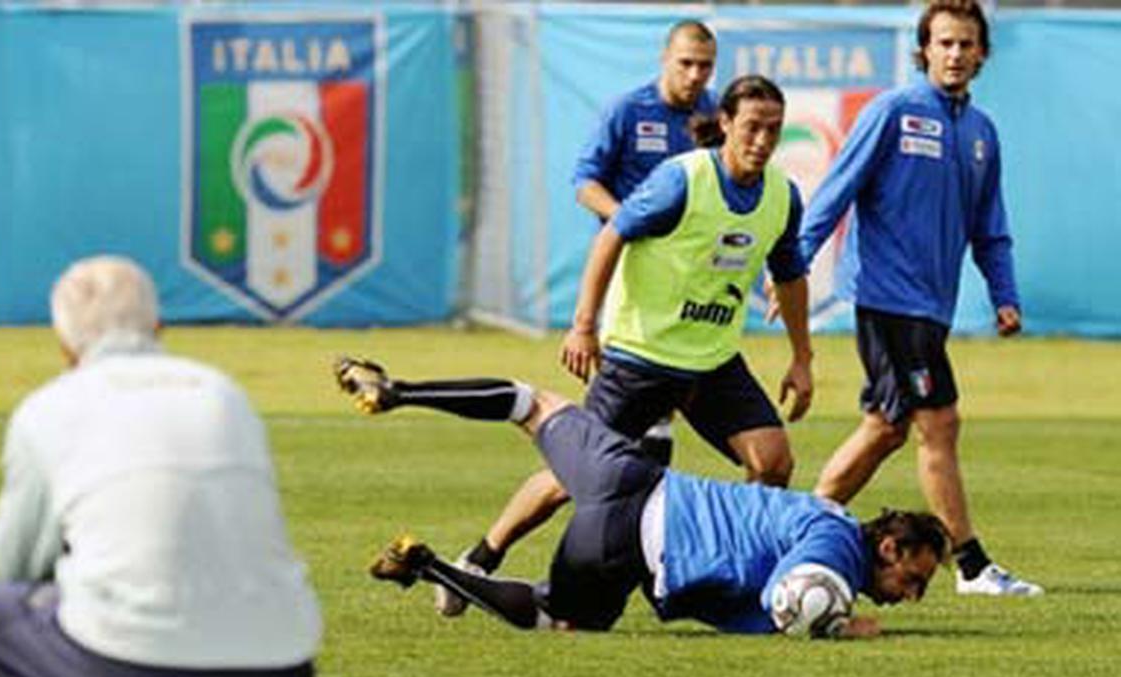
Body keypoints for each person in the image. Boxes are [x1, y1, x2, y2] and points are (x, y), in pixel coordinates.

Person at [438, 74, 816, 618]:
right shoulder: (682, 180)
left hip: (711, 362)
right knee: (576, 478)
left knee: (774, 462)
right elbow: (613, 233)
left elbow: (791, 275)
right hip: (641, 356)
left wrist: (802, 358)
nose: (762, 141)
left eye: (774, 131)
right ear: (727, 124)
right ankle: (478, 559)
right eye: (752, 127)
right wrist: (584, 325)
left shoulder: (782, 196)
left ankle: (745, 576)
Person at [0, 256, 322, 677]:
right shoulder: (225, 393)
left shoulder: (49, 406)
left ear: (65, 345)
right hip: (281, 654)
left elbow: (16, 562)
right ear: (158, 327)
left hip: (134, 659)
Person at [337, 357, 949, 638]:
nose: (910, 598)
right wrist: (841, 627)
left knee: (532, 402)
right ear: (889, 546)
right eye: (914, 580)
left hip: (632, 479)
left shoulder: (827, 518)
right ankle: (430, 566)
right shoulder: (839, 547)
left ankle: (401, 390)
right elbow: (795, 600)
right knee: (558, 617)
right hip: (633, 538)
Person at [797, 0, 1040, 596]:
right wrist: (794, 261)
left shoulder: (982, 134)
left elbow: (990, 224)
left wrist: (1003, 293)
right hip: (887, 300)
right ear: (924, 50)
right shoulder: (894, 111)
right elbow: (837, 188)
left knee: (885, 428)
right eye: (944, 43)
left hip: (933, 307)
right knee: (941, 421)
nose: (955, 54)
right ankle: (973, 565)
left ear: (982, 53)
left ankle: (801, 523)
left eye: (966, 44)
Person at [570, 18, 719, 467]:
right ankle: (600, 481)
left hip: (688, 276)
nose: (695, 76)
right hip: (629, 269)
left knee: (659, 397)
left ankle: (631, 498)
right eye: (686, 63)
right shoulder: (630, 111)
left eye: (705, 66)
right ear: (665, 60)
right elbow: (583, 183)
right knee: (630, 387)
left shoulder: (715, 115)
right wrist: (626, 218)